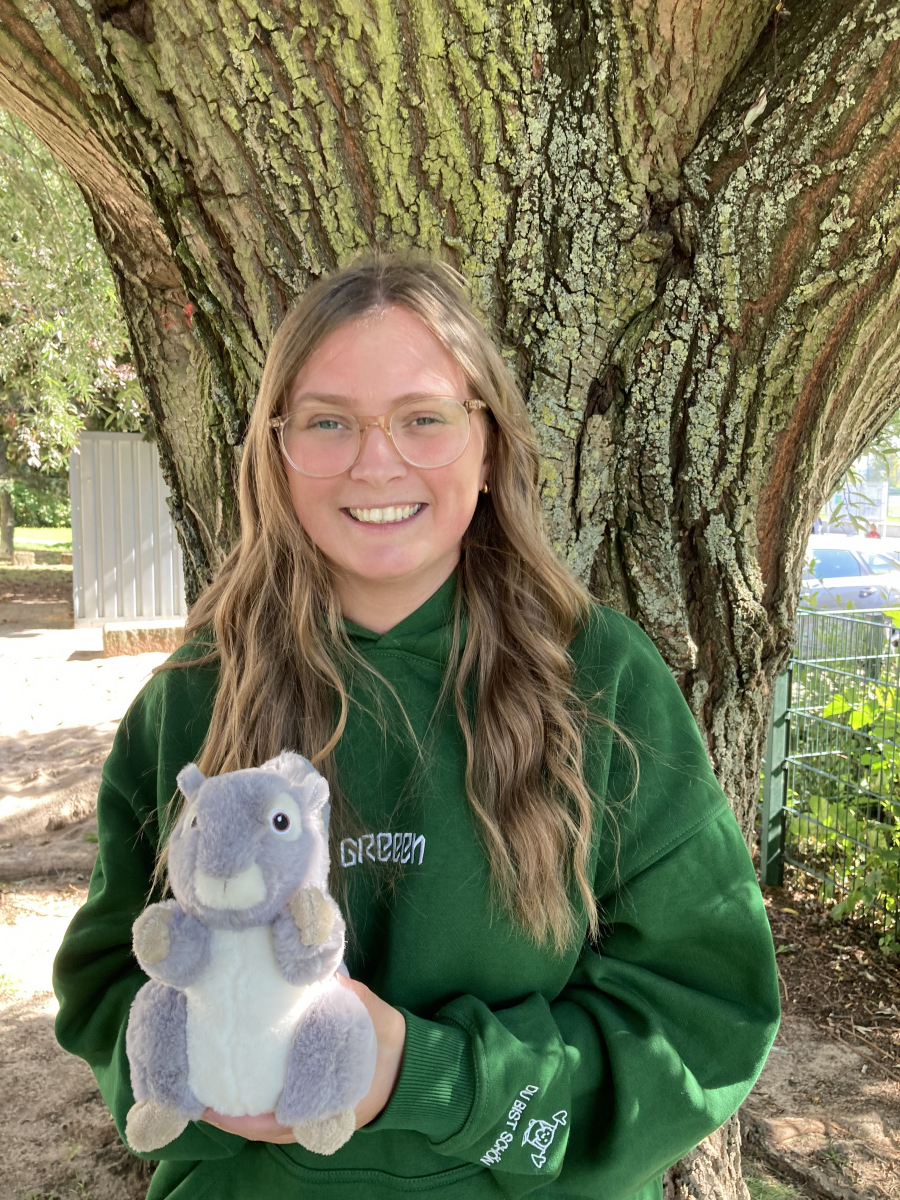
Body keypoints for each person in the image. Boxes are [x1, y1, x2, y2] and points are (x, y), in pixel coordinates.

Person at [53, 254, 780, 1200]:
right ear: (277, 453)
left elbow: (704, 1014)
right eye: (328, 422)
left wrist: (424, 1075)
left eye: (424, 418)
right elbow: (110, 979)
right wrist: (193, 1072)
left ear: (491, 446)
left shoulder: (602, 682)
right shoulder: (196, 697)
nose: (375, 461)